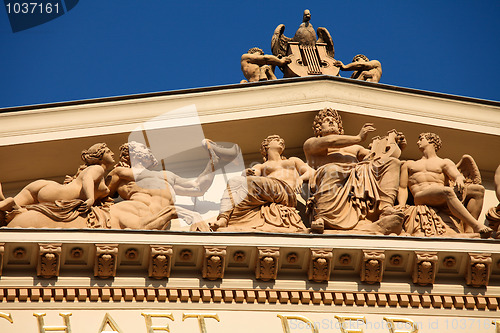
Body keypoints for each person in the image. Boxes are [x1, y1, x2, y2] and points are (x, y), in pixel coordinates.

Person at [303, 108, 403, 234]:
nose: (331, 122)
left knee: (392, 163)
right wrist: (358, 137)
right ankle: (323, 217)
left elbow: (378, 157)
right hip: (332, 174)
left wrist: (395, 147)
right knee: (333, 169)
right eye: (326, 120)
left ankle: (385, 207)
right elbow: (331, 141)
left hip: (359, 176)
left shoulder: (355, 148)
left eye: (334, 121)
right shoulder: (311, 143)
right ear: (319, 128)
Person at [104, 140, 219, 229]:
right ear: (131, 153)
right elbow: (101, 195)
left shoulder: (166, 175)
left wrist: (213, 163)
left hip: (158, 218)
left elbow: (198, 187)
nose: (148, 149)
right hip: (134, 213)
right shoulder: (121, 172)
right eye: (143, 147)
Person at [209, 135, 314, 232]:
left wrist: (301, 179)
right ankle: (223, 218)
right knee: (234, 182)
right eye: (277, 140)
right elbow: (252, 175)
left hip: (286, 191)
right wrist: (245, 173)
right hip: (270, 191)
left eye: (281, 141)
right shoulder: (262, 166)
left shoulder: (292, 160)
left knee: (242, 182)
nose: (281, 141)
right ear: (267, 145)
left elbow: (311, 172)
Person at [398, 133, 492, 237]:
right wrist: (402, 205)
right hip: (421, 196)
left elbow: (457, 175)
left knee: (478, 190)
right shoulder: (409, 164)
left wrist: (459, 179)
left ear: (431, 141)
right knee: (446, 191)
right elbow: (402, 187)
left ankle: (469, 231)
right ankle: (476, 225)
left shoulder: (444, 162)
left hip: (441, 197)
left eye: (421, 139)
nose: (417, 142)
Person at [0, 143, 115, 216]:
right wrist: (90, 199)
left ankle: (7, 201)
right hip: (59, 193)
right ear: (100, 156)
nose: (113, 154)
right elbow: (87, 178)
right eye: (108, 152)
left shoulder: (98, 174)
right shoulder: (97, 168)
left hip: (48, 187)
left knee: (10, 210)